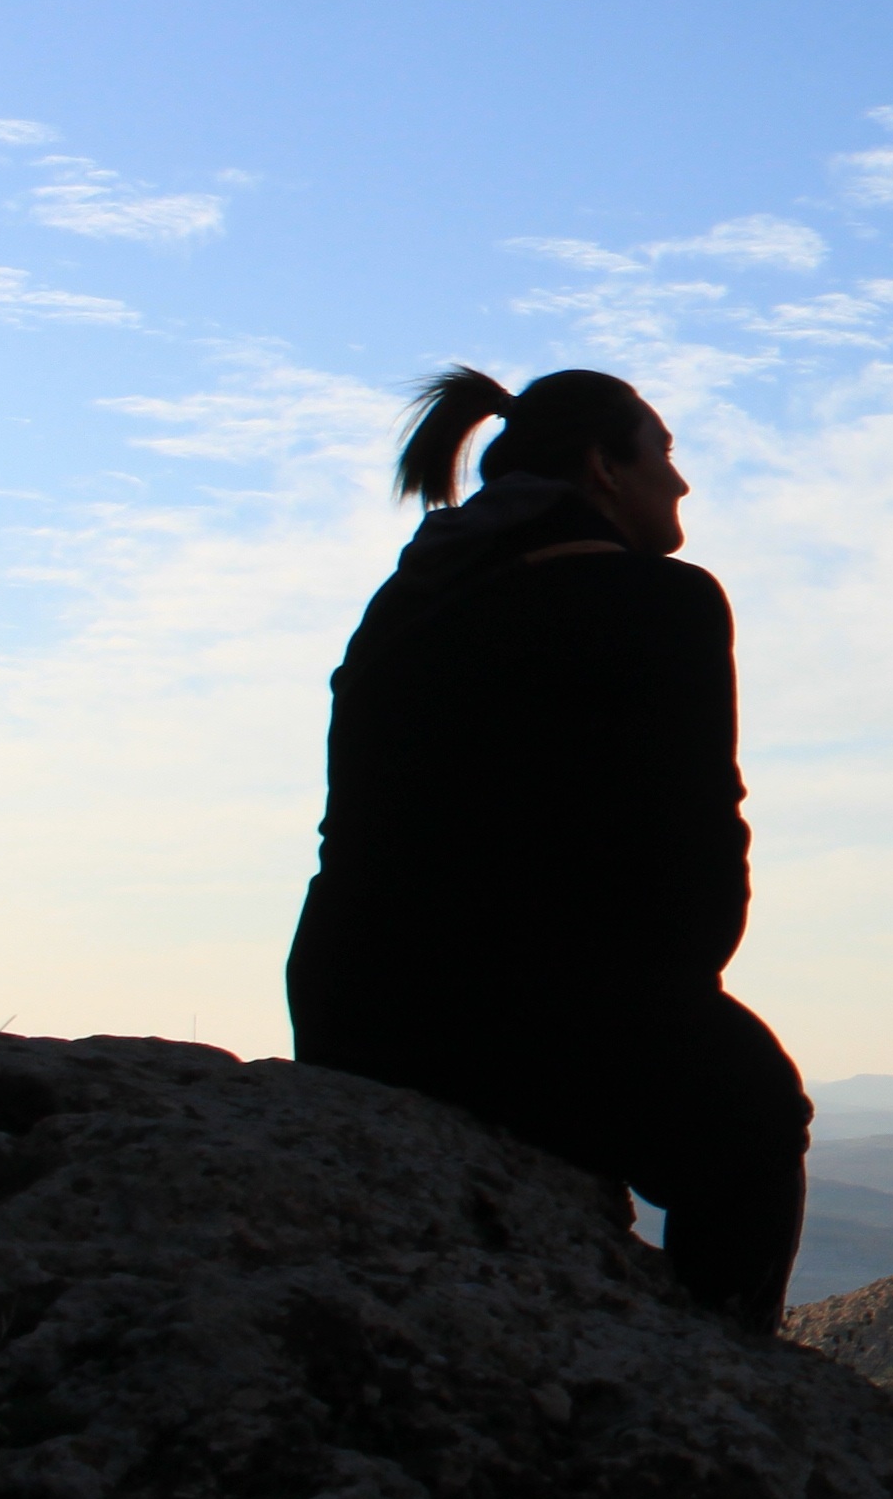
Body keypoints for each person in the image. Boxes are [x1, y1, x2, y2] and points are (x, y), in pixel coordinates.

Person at [286, 366, 810, 1324]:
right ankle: (722, 1381)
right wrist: (670, 990)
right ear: (603, 469)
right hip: (529, 1010)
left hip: (348, 1002)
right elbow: (699, 841)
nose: (681, 483)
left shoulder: (405, 604)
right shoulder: (664, 601)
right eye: (664, 454)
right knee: (759, 1116)